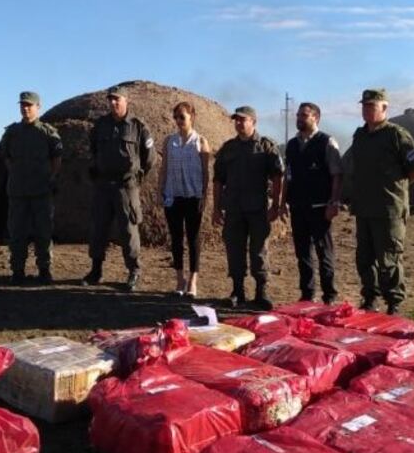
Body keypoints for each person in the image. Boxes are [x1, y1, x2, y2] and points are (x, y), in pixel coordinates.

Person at [342, 89, 414, 314]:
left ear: (384, 108)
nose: (367, 110)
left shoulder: (397, 135)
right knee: (364, 258)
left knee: (388, 258)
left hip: (389, 209)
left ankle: (394, 302)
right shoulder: (360, 136)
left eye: (372, 106)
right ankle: (370, 298)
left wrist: (398, 189)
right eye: (364, 106)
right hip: (364, 208)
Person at [80, 85, 155, 291]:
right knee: (98, 228)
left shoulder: (138, 126)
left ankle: (133, 271)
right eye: (110, 99)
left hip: (126, 186)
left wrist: (136, 176)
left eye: (117, 99)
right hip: (103, 185)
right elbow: (93, 150)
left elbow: (149, 158)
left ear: (126, 101)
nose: (113, 103)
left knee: (128, 229)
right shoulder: (101, 125)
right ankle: (96, 270)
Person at [212, 106, 283, 310]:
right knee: (234, 249)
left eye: (243, 120)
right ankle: (238, 291)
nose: (239, 123)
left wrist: (276, 205)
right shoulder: (228, 149)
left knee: (259, 250)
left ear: (254, 122)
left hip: (258, 209)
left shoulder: (265, 146)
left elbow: (278, 176)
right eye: (236, 120)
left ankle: (261, 292)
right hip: (233, 208)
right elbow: (218, 180)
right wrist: (216, 208)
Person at [279, 102, 342, 304]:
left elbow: (336, 174)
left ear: (316, 118)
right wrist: (282, 203)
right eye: (298, 115)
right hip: (298, 207)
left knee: (325, 253)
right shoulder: (291, 145)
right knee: (303, 253)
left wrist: (333, 202)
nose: (299, 118)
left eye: (304, 115)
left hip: (320, 207)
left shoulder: (326, 142)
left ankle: (329, 295)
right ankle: (307, 295)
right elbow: (287, 176)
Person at [0, 91, 63, 284]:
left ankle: (44, 269)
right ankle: (17, 270)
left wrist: (50, 177)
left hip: (41, 191)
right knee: (17, 232)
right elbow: (6, 156)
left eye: (29, 105)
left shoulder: (47, 132)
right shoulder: (12, 133)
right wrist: (16, 174)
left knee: (43, 232)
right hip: (18, 191)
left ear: (38, 107)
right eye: (23, 105)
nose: (25, 108)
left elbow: (57, 157)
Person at [158, 101, 211, 298]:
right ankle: (179, 278)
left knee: (193, 238)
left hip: (193, 196)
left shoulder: (201, 141)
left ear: (192, 117)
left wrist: (204, 195)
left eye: (182, 117)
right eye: (176, 117)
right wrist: (159, 190)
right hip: (173, 195)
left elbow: (206, 172)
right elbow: (164, 168)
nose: (179, 120)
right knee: (176, 239)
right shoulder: (169, 141)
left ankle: (193, 280)